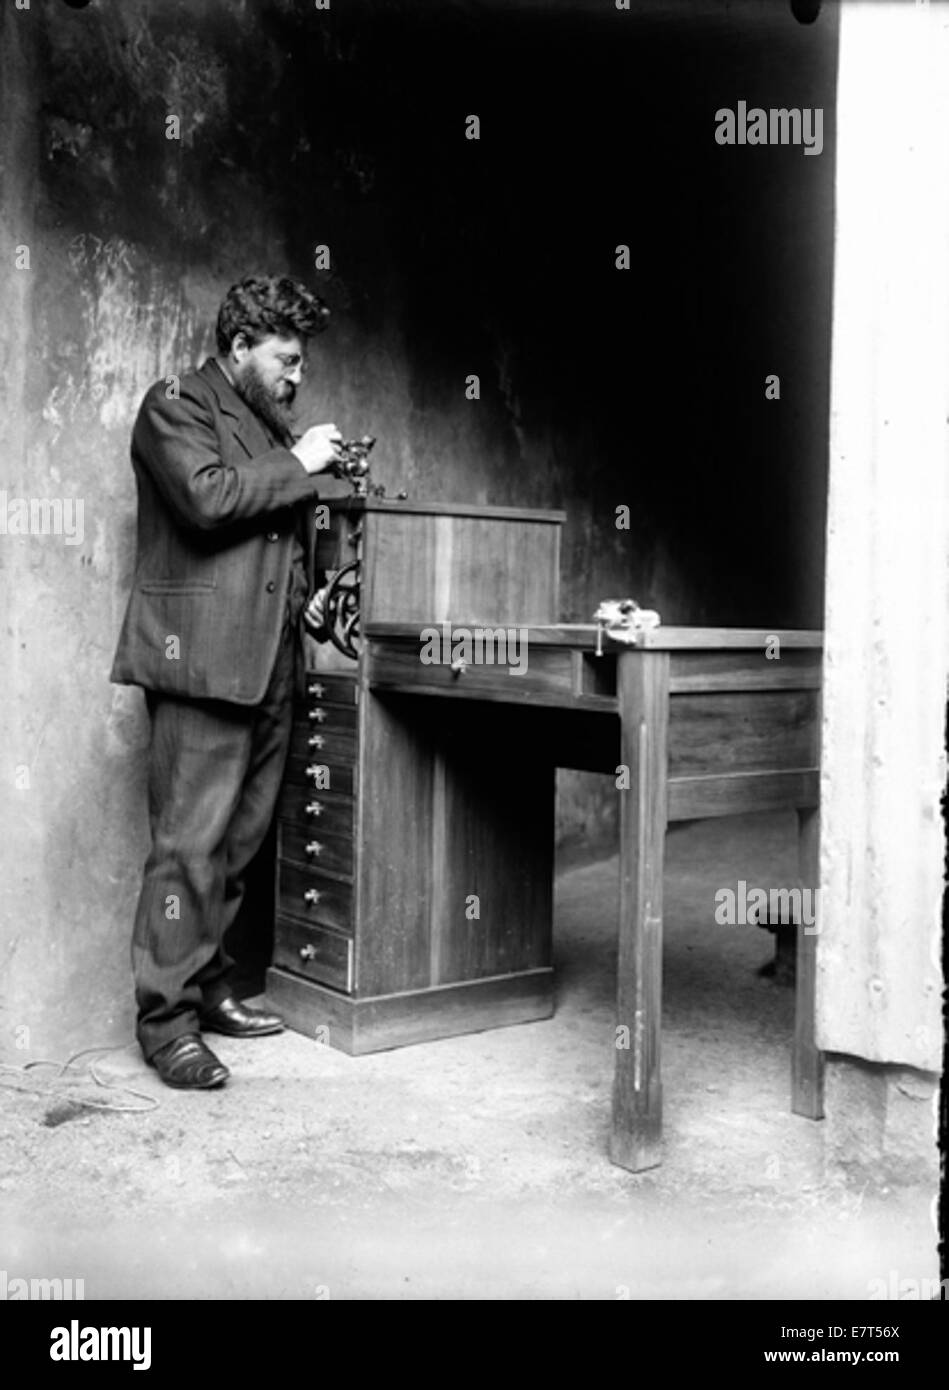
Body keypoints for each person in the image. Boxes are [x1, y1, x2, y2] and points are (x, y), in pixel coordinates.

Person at [111, 274, 340, 1090]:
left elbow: (267, 540)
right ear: (239, 346)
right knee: (187, 849)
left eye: (301, 361)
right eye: (285, 357)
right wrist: (300, 460)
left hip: (270, 661)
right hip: (200, 660)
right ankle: (165, 1023)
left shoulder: (259, 424)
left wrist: (310, 597)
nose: (296, 375)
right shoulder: (173, 404)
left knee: (238, 848)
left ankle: (209, 991)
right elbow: (207, 503)